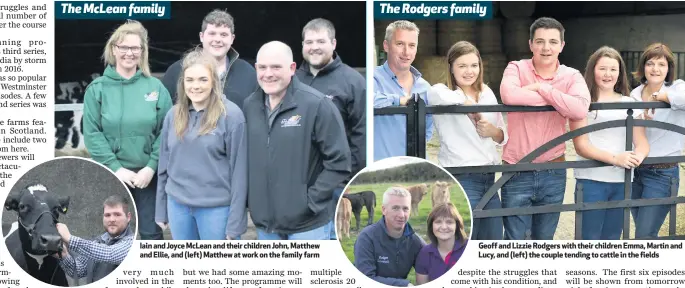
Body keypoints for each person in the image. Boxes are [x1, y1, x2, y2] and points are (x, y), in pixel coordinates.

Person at [243, 41, 351, 240]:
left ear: (292, 68)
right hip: (265, 226)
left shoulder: (317, 105)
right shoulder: (250, 106)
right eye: (262, 67)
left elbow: (339, 162)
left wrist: (310, 203)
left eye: (276, 67)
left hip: (307, 226)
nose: (268, 74)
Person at [499, 17, 591, 240]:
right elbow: (509, 95)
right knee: (514, 242)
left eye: (552, 41)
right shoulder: (516, 68)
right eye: (540, 41)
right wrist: (559, 99)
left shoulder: (572, 75)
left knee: (544, 241)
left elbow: (579, 109)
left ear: (562, 45)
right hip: (516, 168)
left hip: (554, 170)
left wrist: (542, 88)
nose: (546, 47)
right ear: (530, 44)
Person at [82, 20, 172, 240]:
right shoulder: (97, 89)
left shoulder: (155, 87)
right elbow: (93, 134)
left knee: (151, 234)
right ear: (114, 49)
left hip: (148, 178)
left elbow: (168, 130)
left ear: (142, 52)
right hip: (113, 175)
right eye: (124, 47)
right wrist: (116, 168)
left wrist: (151, 167)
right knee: (115, 236)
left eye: (135, 48)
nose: (129, 53)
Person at [155, 48, 248, 240]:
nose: (195, 86)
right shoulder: (173, 115)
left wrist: (236, 222)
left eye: (203, 79)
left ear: (214, 80)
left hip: (216, 210)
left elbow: (240, 173)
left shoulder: (231, 116)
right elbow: (164, 165)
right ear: (183, 82)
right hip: (178, 206)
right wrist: (161, 208)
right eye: (190, 80)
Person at [427, 41, 506, 240]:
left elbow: (502, 135)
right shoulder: (440, 91)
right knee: (465, 237)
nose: (469, 71)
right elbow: (435, 95)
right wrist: (468, 103)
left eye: (474, 65)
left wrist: (493, 131)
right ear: (451, 68)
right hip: (462, 175)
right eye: (462, 66)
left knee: (493, 237)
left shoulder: (487, 92)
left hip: (489, 175)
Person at [295, 18, 366, 240]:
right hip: (298, 184)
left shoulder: (353, 81)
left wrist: (349, 179)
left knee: (334, 241)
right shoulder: (292, 80)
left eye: (320, 41)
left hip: (336, 184)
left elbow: (360, 134)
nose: (314, 46)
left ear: (333, 43)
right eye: (309, 41)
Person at [571, 46, 649, 240]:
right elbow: (581, 146)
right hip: (591, 180)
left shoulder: (629, 102)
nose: (608, 74)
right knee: (588, 239)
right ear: (592, 70)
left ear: (619, 73)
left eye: (613, 69)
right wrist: (616, 158)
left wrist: (636, 156)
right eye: (602, 68)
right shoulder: (582, 102)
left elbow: (642, 143)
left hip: (621, 181)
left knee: (613, 238)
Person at [629, 42, 685, 239]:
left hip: (663, 173)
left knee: (644, 235)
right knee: (643, 233)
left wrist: (662, 97)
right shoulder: (634, 94)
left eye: (661, 64)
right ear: (643, 67)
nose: (655, 69)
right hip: (636, 171)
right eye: (650, 63)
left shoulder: (678, 88)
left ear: (669, 68)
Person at [162, 9, 258, 110]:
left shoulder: (248, 73)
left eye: (223, 35)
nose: (217, 39)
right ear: (201, 36)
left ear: (232, 39)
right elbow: (165, 114)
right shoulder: (177, 71)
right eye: (212, 33)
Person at [374, 20, 433, 162]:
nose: (406, 52)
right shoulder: (372, 79)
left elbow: (427, 131)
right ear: (386, 46)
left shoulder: (425, 88)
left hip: (411, 169)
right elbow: (364, 100)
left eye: (412, 45)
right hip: (377, 169)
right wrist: (398, 100)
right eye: (400, 44)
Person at [53, 195, 134, 284]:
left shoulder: (131, 243)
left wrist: (69, 238)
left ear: (128, 217)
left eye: (117, 214)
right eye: (107, 215)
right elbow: (78, 270)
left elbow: (109, 253)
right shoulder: (98, 241)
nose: (111, 219)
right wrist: (63, 255)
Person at [354, 187, 425, 287]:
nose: (401, 215)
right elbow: (365, 279)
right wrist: (404, 285)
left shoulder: (415, 241)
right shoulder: (366, 238)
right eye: (395, 208)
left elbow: (433, 266)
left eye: (405, 209)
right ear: (384, 210)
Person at [415, 203, 468, 285]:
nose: (443, 227)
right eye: (438, 222)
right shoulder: (424, 254)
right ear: (431, 225)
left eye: (449, 222)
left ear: (457, 225)